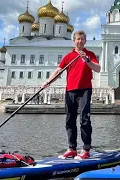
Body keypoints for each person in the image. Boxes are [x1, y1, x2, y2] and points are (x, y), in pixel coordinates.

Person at [41, 30, 101, 159]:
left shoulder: (90, 54)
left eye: (82, 39)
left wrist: (87, 60)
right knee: (70, 120)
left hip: (84, 90)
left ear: (85, 41)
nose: (80, 41)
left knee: (84, 119)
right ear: (74, 41)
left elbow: (98, 68)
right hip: (70, 91)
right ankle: (72, 148)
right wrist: (48, 81)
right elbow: (58, 71)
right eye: (78, 39)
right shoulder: (68, 56)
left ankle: (85, 149)